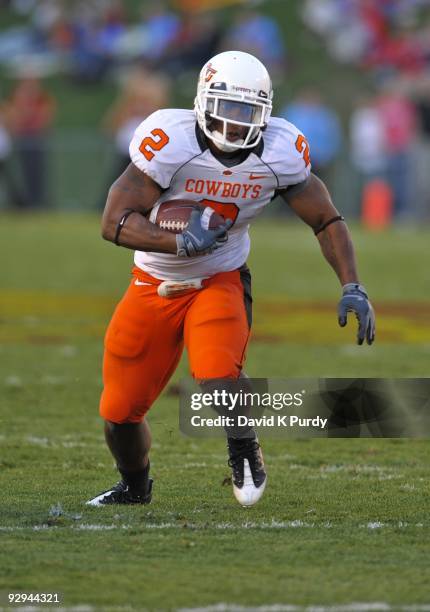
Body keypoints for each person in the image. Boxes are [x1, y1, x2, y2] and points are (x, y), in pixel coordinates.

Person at [87, 51, 375, 508]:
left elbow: (326, 220)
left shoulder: (280, 151)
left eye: (249, 111)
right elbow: (113, 221)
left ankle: (243, 448)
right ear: (204, 101)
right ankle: (135, 488)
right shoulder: (171, 141)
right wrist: (176, 242)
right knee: (119, 412)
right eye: (230, 107)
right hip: (153, 282)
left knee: (218, 374)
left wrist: (352, 285)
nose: (238, 123)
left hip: (219, 278)